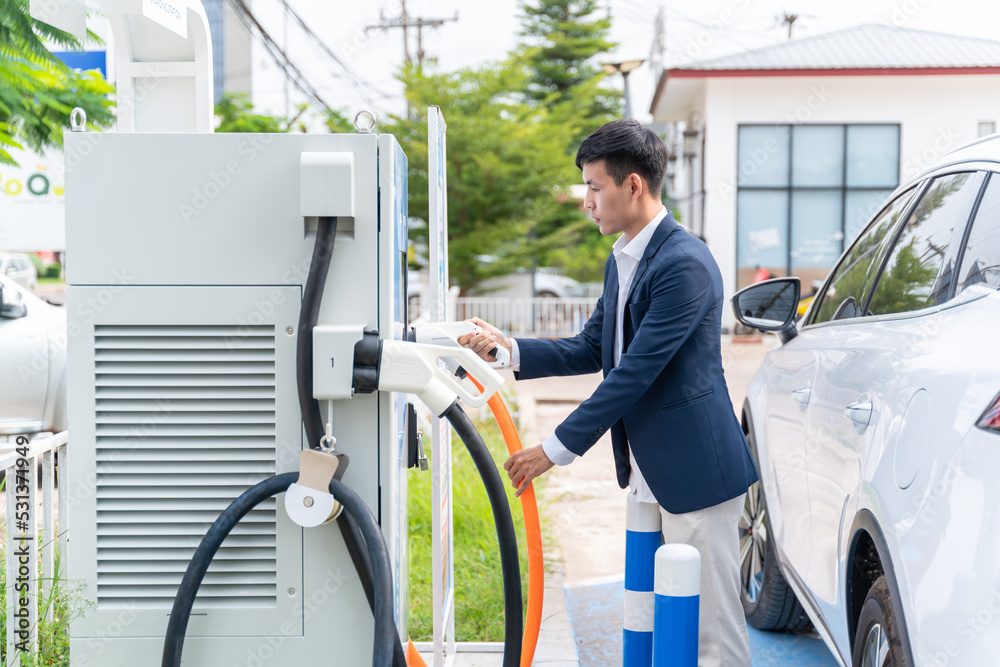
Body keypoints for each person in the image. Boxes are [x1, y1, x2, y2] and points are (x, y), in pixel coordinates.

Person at [459, 118, 759, 666]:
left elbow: (634, 372)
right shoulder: (623, 258)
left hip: (695, 471)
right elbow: (594, 346)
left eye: (594, 188)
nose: (587, 203)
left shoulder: (683, 264)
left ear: (633, 186)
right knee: (647, 615)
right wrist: (507, 350)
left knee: (711, 632)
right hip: (649, 470)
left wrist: (553, 451)